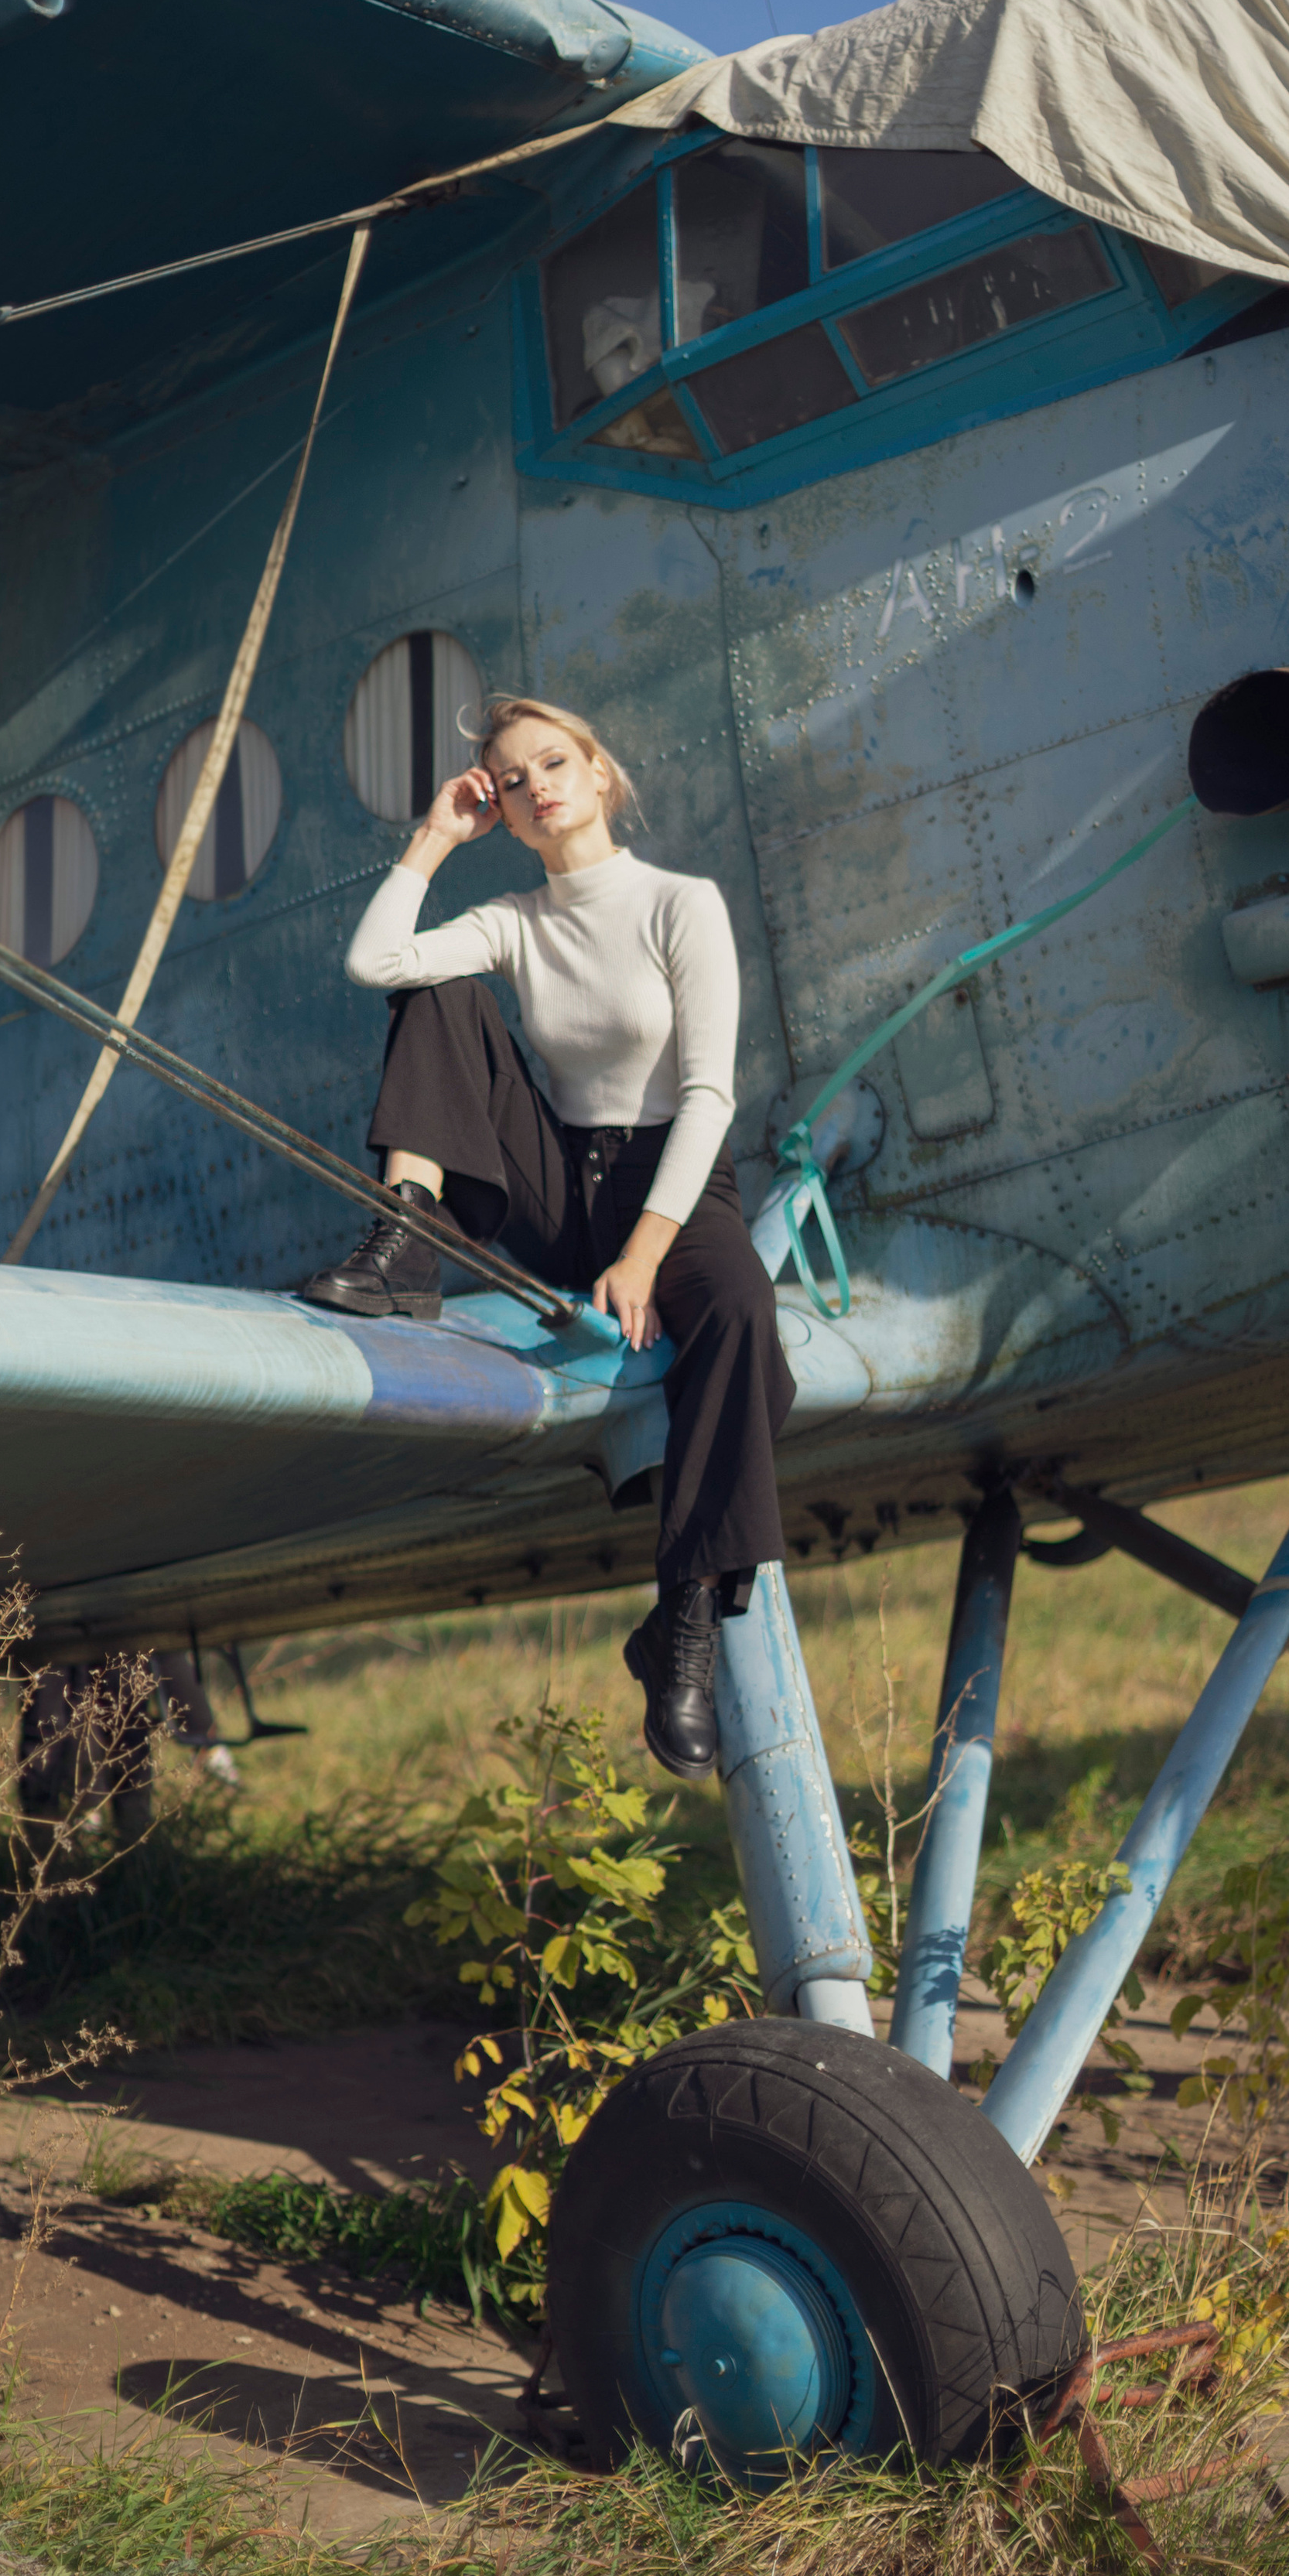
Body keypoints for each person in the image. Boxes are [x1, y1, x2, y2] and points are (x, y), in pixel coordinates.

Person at [301, 694, 794, 1782]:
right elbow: (374, 963)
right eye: (512, 782)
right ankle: (405, 1242)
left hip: (677, 1188)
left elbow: (709, 1094)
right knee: (439, 996)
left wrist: (649, 1255)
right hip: (566, 1186)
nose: (536, 786)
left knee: (746, 1319)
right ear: (507, 818)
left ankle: (686, 1623)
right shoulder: (516, 918)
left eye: (554, 762)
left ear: (603, 772)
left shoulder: (681, 903)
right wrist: (435, 838)